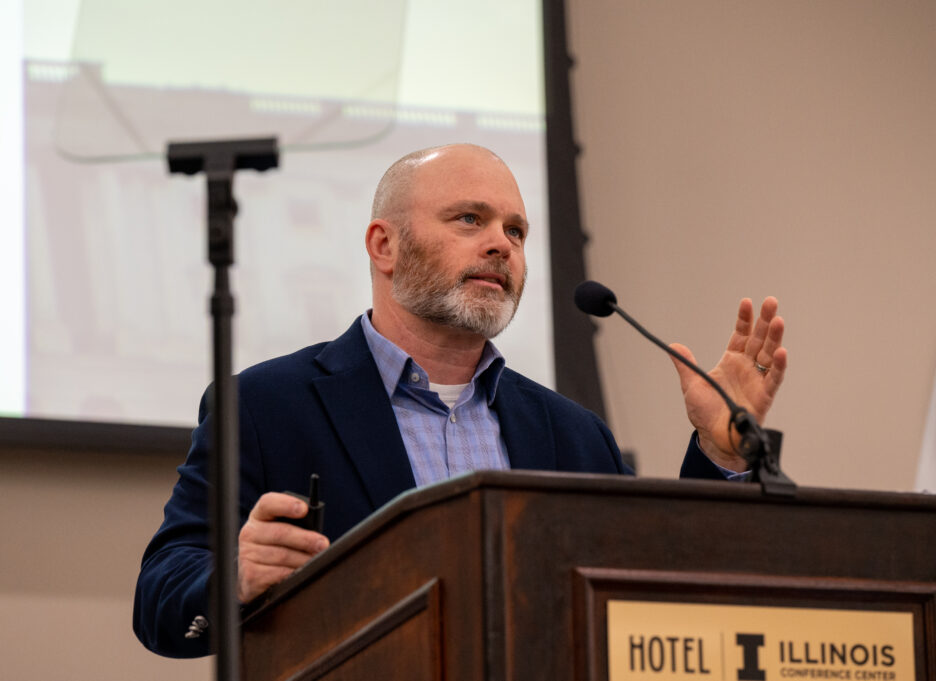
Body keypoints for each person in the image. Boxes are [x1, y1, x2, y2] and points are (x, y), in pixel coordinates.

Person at [133, 143, 787, 657]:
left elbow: (654, 603)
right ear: (383, 245)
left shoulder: (573, 433)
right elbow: (159, 597)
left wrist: (718, 454)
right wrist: (234, 578)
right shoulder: (266, 405)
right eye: (470, 219)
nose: (502, 243)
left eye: (517, 230)